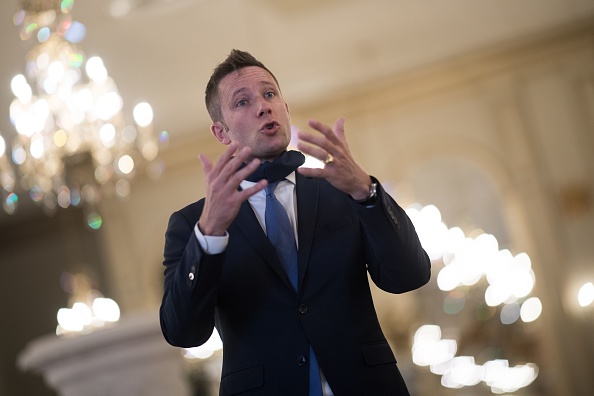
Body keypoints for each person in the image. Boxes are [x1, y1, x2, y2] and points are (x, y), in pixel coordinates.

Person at [160, 49, 431, 396]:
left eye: (270, 94)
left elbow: (409, 275)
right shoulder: (191, 225)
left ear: (285, 109)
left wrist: (367, 192)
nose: (263, 106)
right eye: (242, 102)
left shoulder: (340, 189)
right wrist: (209, 234)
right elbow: (183, 332)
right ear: (221, 132)